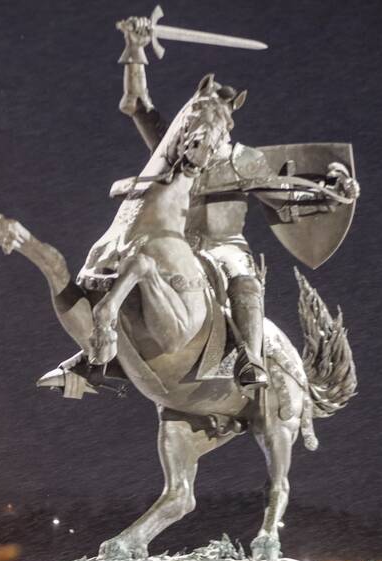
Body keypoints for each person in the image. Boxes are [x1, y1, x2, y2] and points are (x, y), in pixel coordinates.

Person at [40, 16, 359, 399]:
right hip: (171, 239)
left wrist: (335, 193)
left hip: (222, 245)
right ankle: (97, 357)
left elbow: (284, 195)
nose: (204, 134)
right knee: (117, 260)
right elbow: (138, 105)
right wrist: (136, 49)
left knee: (242, 276)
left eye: (218, 122)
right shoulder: (175, 146)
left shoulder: (245, 160)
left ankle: (250, 359)